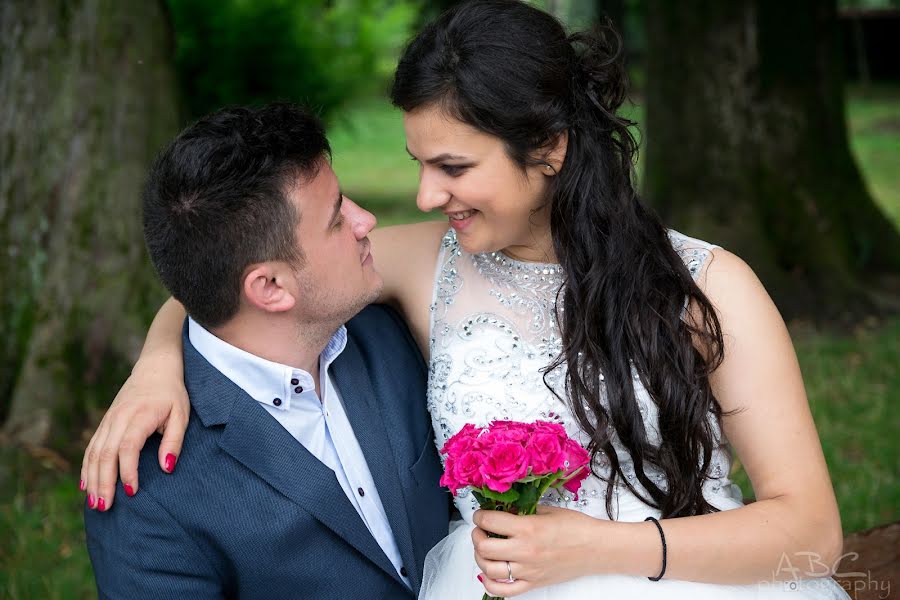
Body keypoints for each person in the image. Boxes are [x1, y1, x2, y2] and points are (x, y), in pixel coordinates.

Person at [82, 1, 851, 598]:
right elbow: (240, 279)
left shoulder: (706, 287)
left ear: (549, 149)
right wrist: (157, 364)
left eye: (452, 165)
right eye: (418, 162)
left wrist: (600, 548)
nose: (422, 193)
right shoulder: (424, 264)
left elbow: (811, 531)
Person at [82, 103, 450, 599]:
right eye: (337, 217)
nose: (366, 220)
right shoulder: (149, 489)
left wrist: (158, 352)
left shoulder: (389, 331)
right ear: (271, 287)